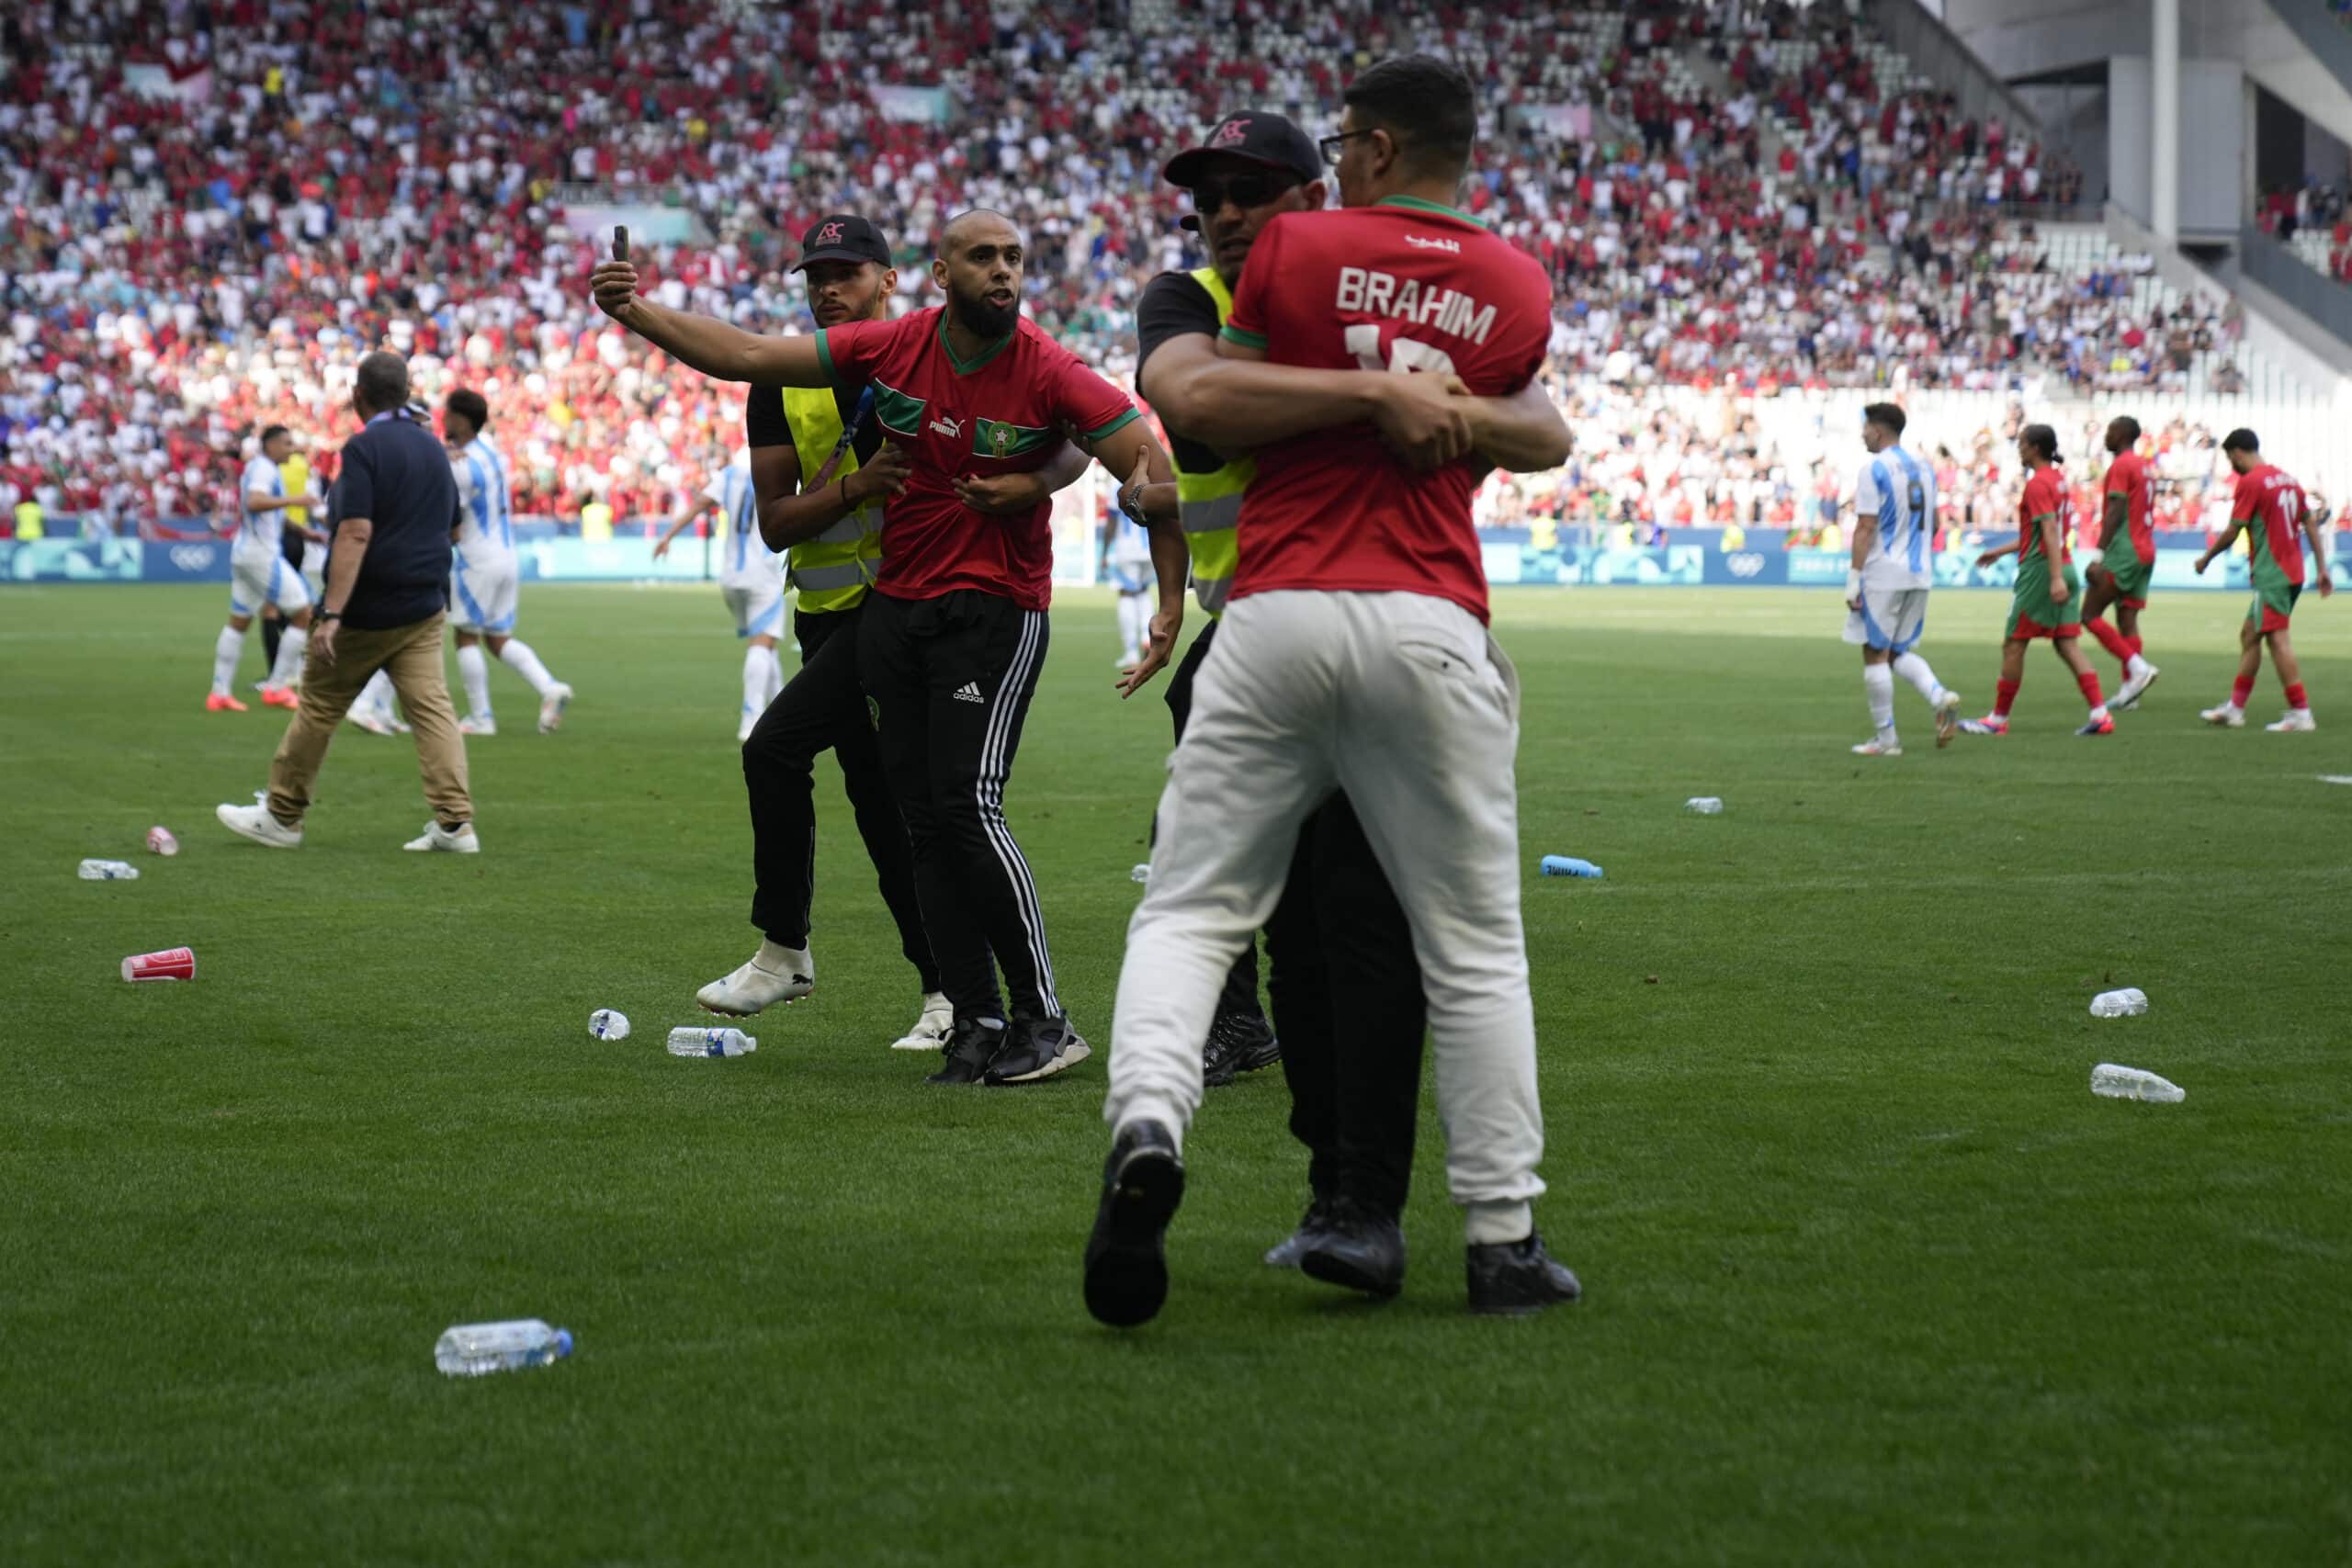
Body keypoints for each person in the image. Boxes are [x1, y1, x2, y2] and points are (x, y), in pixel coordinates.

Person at [1083, 56, 1582, 1326]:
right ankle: (1502, 1237)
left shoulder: (1291, 259)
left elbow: (1202, 401)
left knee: (1192, 910)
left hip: (1279, 610)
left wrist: (1384, 389)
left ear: (1357, 150)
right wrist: (1416, 395)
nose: (1229, 215)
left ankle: (1149, 1119)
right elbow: (1545, 427)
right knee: (1472, 948)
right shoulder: (1516, 280)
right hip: (1431, 614)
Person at [591, 209, 1190, 1087]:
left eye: (1013, 258)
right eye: (982, 257)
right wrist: (636, 314)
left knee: (967, 808)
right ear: (940, 274)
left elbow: (1152, 469)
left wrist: (1169, 603)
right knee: (920, 822)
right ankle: (973, 1018)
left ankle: (1045, 1019)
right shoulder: (893, 347)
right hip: (894, 613)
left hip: (994, 614)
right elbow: (748, 355)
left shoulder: (1051, 369)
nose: (1003, 272)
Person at [1132, 107, 1433, 1283]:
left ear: (1318, 197)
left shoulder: (1391, 291)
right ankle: (1334, 1181)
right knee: (1298, 930)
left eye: (1253, 188)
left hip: (1388, 628)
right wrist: (1371, 395)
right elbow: (1198, 421)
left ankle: (1417, 1205)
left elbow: (1492, 418)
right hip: (1253, 637)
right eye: (1209, 195)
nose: (1223, 212)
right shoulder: (1184, 301)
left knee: (1373, 926)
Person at [684, 214, 1091, 1052]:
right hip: (834, 619)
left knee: (895, 805)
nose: (828, 288)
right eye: (814, 276)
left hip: (916, 611)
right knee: (891, 804)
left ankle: (920, 985)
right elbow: (777, 525)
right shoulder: (789, 382)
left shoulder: (925, 356)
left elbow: (1070, 427)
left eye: (847, 272)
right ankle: (934, 990)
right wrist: (857, 486)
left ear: (894, 280)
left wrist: (1037, 480)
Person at [215, 351, 479, 853]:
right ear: (405, 392)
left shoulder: (363, 448)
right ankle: (455, 824)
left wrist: (332, 612)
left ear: (357, 397)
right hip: (425, 604)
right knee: (431, 710)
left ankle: (282, 815)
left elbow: (355, 532)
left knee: (318, 703)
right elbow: (455, 526)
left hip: (368, 607)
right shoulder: (432, 447)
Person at [1958, 424, 2114, 738]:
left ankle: (1998, 720)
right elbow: (2042, 531)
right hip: (2063, 564)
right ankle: (2101, 714)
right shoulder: (2058, 482)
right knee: (2066, 643)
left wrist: (2054, 578)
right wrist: (2000, 552)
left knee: (2014, 644)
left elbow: (2050, 533)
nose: (2019, 449)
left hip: (2043, 572)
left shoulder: (2037, 484)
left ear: (2034, 448)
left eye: (2022, 444)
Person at [440, 389, 573, 737]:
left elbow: (453, 516)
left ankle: (481, 717)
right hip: (506, 555)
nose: (443, 419)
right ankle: (550, 688)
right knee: (498, 639)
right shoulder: (494, 455)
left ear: (461, 419)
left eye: (448, 414)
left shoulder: (461, 467)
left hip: (476, 557)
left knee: (466, 637)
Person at [2196, 428, 2334, 730]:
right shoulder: (2288, 480)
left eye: (2231, 458)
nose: (2232, 464)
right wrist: (2322, 568)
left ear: (2238, 453)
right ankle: (2235, 708)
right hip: (2293, 570)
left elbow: (2234, 530)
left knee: (2277, 640)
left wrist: (2206, 558)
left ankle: (2300, 713)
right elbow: (2309, 523)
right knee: (2250, 634)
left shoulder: (2252, 482)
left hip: (2272, 572)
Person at [1843, 402, 1961, 756]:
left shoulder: (1874, 469)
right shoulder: (1925, 468)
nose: (1862, 434)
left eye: (1866, 428)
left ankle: (1887, 740)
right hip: (1920, 572)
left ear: (1878, 431)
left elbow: (1865, 527)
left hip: (1884, 572)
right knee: (1897, 651)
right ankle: (1939, 695)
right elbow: (1937, 524)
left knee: (1874, 652)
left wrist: (1854, 578)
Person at [654, 446, 789, 740]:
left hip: (730, 576)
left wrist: (668, 536)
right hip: (763, 573)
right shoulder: (775, 473)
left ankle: (781, 706)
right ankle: (751, 718)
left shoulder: (728, 476)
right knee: (761, 644)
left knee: (765, 644)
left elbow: (699, 505)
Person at [208, 424, 323, 713]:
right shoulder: (265, 469)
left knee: (240, 620)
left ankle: (219, 693)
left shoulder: (259, 469)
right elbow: (255, 502)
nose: (291, 448)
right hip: (261, 555)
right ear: (270, 445)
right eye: (286, 443)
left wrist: (303, 532)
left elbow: (271, 511)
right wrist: (297, 500)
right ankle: (277, 687)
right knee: (303, 613)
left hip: (244, 552)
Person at [2080, 416, 2162, 710]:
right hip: (2145, 549)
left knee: (2089, 614)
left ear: (2124, 435)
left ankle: (2138, 669)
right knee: (2127, 619)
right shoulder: (2145, 467)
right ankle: (2131, 693)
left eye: (2111, 431)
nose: (2106, 436)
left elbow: (2116, 510)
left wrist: (2098, 555)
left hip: (2124, 551)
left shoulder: (2121, 466)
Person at [258, 436, 323, 684]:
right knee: (293, 603)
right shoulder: (301, 465)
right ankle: (298, 664)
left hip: (279, 537)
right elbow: (313, 501)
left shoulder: (270, 468)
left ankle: (278, 675)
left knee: (271, 608)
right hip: (299, 540)